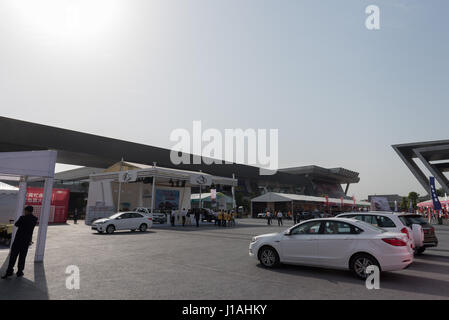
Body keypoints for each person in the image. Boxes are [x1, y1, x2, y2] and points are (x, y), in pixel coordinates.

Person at [2, 206, 38, 279]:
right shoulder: (35, 219)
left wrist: (22, 218)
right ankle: (20, 272)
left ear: (27, 211)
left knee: (13, 256)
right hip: (26, 241)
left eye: (25, 211)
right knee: (22, 257)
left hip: (18, 240)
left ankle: (9, 272)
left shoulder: (22, 218)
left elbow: (16, 224)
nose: (24, 212)